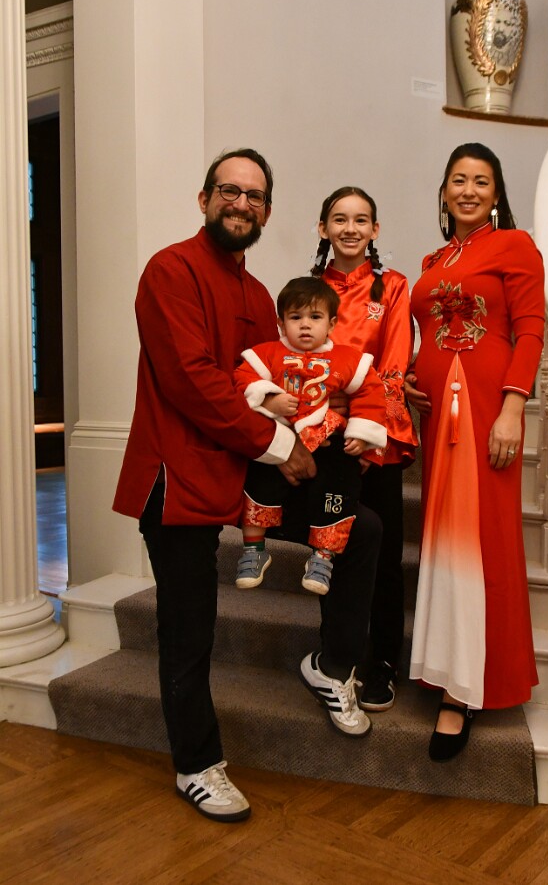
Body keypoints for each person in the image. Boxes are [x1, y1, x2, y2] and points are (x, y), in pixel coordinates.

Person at [113, 149, 382, 824]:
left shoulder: (260, 295)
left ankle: (329, 663)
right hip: (177, 477)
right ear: (204, 199)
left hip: (242, 472)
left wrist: (350, 401)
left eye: (254, 196)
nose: (241, 203)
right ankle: (197, 765)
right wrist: (280, 444)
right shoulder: (169, 271)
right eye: (229, 191)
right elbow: (192, 380)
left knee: (362, 530)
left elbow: (283, 380)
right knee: (189, 628)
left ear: (267, 211)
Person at [405, 143, 545, 762]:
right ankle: (446, 666)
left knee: (480, 536)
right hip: (439, 416)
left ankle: (466, 692)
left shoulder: (515, 245)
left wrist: (514, 406)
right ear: (443, 192)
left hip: (488, 407)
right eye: (457, 180)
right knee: (445, 537)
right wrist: (411, 374)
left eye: (481, 181)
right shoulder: (436, 258)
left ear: (496, 192)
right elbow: (426, 332)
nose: (468, 190)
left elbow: (531, 328)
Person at [312, 187, 417, 711]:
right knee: (332, 545)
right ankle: (338, 654)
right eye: (339, 219)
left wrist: (366, 426)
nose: (350, 228)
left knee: (385, 557)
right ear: (323, 229)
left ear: (375, 230)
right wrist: (328, 425)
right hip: (325, 439)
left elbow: (393, 363)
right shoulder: (308, 290)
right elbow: (298, 361)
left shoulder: (392, 287)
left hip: (378, 439)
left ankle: (381, 663)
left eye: (361, 220)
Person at [233, 275, 387, 596]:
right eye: (295, 317)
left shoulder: (348, 358)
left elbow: (371, 392)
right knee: (257, 474)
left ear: (331, 324)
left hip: (326, 436)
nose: (305, 325)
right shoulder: (267, 354)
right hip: (281, 438)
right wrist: (269, 397)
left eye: (315, 317)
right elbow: (242, 380)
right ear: (280, 323)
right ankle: (253, 548)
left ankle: (323, 556)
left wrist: (363, 432)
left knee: (340, 481)